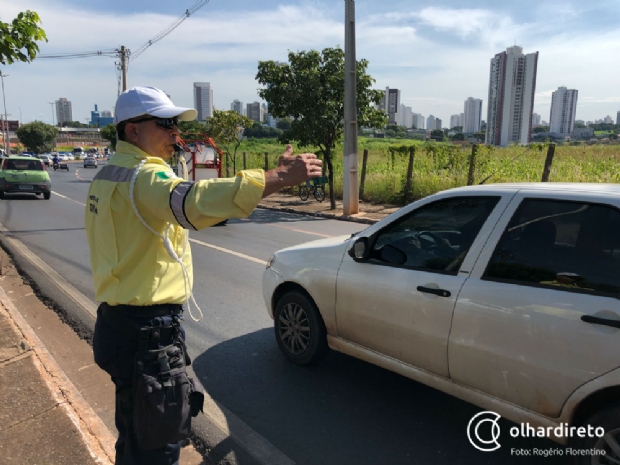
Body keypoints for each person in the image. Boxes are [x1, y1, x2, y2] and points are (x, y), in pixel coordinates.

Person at [86, 86, 322, 465]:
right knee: (159, 445)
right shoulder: (143, 178)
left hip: (116, 323)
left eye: (175, 125)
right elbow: (192, 203)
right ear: (132, 131)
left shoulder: (107, 176)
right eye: (165, 124)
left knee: (134, 431)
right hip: (147, 333)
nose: (175, 134)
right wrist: (274, 177)